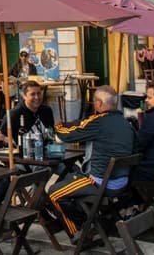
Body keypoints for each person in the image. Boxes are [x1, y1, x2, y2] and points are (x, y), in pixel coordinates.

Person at [46, 86, 137, 238]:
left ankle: (81, 232)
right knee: (71, 178)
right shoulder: (126, 124)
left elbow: (67, 136)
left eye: (95, 101)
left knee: (54, 193)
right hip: (122, 181)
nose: (94, 104)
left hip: (101, 183)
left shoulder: (98, 121)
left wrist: (58, 126)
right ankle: (93, 222)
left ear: (100, 103)